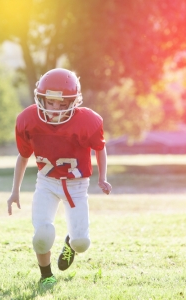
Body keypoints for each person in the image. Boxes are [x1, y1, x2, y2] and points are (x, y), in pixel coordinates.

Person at [7, 68, 112, 286]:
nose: (56, 109)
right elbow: (23, 156)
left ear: (74, 102)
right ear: (41, 98)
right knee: (43, 233)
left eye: (63, 104)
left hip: (77, 186)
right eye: (51, 102)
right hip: (47, 183)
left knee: (82, 243)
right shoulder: (28, 120)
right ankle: (46, 276)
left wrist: (103, 177)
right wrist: (15, 190)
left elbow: (100, 148)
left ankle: (70, 243)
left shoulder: (87, 121)